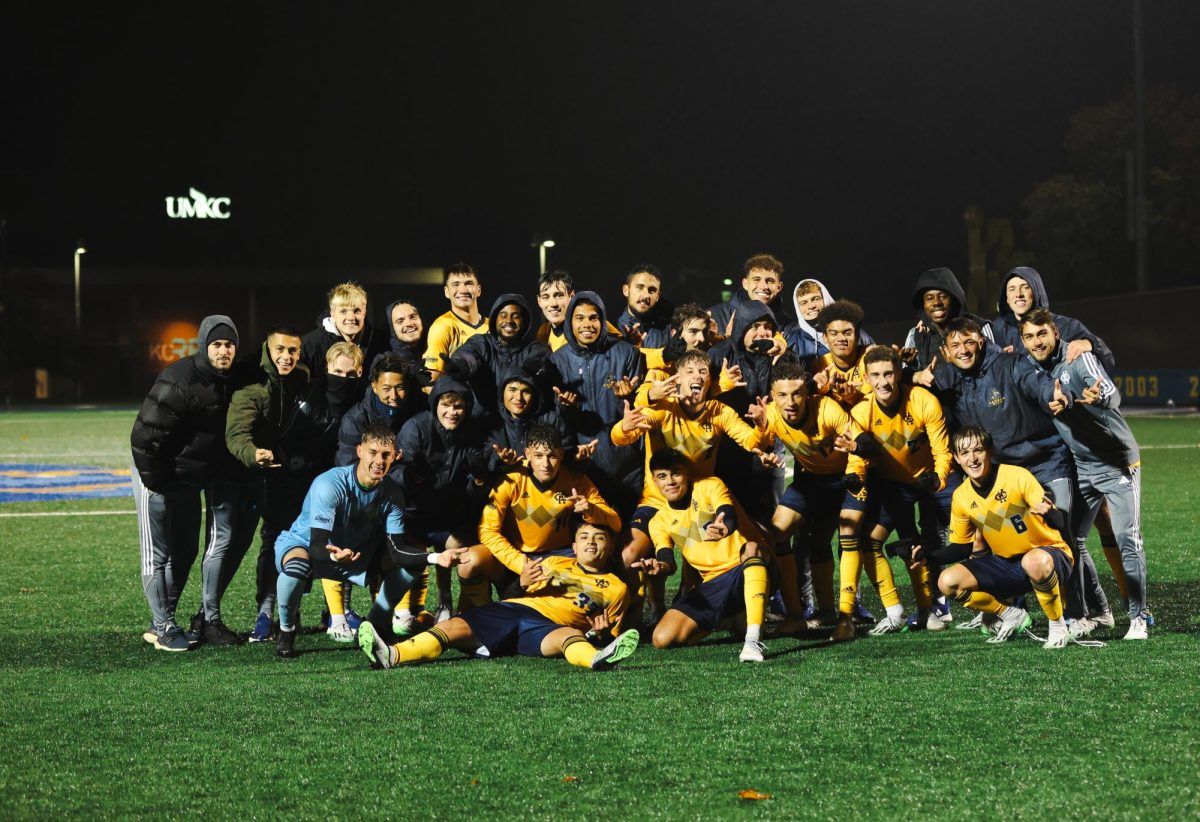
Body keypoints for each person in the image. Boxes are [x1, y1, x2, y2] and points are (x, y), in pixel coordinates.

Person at [914, 317, 1111, 626]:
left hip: (1044, 462)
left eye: (969, 342)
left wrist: (1056, 396)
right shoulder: (949, 378)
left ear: (980, 342)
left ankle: (1084, 613)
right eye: (955, 345)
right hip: (1002, 473)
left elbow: (1041, 385)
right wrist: (913, 377)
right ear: (947, 351)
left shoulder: (1010, 363)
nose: (963, 350)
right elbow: (906, 393)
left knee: (1060, 534)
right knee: (1002, 542)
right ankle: (1009, 614)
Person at [271, 423, 469, 658]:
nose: (379, 461)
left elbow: (396, 550)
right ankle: (286, 629)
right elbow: (316, 544)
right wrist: (335, 554)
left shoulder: (393, 492)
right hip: (307, 547)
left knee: (413, 560)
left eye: (386, 455)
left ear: (395, 456)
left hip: (356, 553)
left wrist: (436, 557)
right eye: (373, 452)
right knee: (296, 567)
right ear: (359, 451)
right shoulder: (330, 484)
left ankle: (377, 621)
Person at [131, 315, 260, 651]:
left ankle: (164, 619)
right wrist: (157, 483)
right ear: (204, 346)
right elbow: (145, 438)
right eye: (216, 344)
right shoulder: (179, 380)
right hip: (155, 474)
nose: (223, 351)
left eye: (229, 344)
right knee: (156, 553)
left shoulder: (233, 379)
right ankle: (162, 626)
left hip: (187, 479)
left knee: (185, 550)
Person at [612, 350, 770, 624]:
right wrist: (624, 428)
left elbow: (750, 440)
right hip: (656, 500)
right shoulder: (664, 408)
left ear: (710, 383)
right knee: (629, 554)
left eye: (703, 373)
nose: (697, 377)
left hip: (698, 501)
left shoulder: (719, 412)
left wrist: (761, 427)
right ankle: (634, 613)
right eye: (690, 372)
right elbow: (621, 437)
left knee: (757, 546)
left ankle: (737, 605)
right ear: (678, 379)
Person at [1020, 309, 1150, 639]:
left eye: (1042, 335)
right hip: (1082, 467)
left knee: (1127, 539)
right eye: (1029, 337)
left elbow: (1110, 391)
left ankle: (1139, 616)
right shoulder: (1035, 367)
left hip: (1116, 461)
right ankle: (1094, 614)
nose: (1037, 342)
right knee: (1070, 540)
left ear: (1055, 334)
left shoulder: (1078, 358)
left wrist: (1100, 397)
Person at [359, 518, 639, 671]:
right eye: (584, 537)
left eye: (599, 538)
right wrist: (522, 582)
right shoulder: (554, 563)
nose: (591, 542)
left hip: (553, 629)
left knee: (569, 638)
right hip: (514, 610)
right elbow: (514, 593)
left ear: (610, 549)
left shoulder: (617, 588)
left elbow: (610, 633)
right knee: (453, 627)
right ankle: (392, 655)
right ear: (574, 547)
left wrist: (603, 637)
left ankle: (594, 660)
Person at [226, 326, 340, 642]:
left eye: (292, 351)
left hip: (304, 479)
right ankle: (265, 612)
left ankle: (298, 610)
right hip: (268, 480)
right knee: (271, 541)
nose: (286, 357)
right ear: (269, 350)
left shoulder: (303, 382)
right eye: (280, 350)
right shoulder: (253, 389)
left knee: (308, 541)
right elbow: (236, 436)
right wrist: (254, 454)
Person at [753, 361, 877, 640]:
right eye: (783, 395)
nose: (791, 401)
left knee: (848, 528)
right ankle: (796, 615)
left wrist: (855, 456)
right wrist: (764, 453)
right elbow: (758, 442)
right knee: (779, 531)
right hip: (812, 481)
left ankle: (845, 619)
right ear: (773, 395)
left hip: (848, 478)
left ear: (806, 393)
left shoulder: (827, 409)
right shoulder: (770, 414)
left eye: (797, 393)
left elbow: (866, 443)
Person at [924, 427, 1076, 649]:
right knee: (947, 581)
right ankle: (1009, 614)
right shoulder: (962, 496)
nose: (972, 459)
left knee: (1033, 561)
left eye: (978, 450)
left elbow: (1059, 523)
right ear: (956, 458)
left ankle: (1058, 625)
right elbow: (961, 548)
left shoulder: (1017, 476)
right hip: (1007, 564)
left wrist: (1051, 513)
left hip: (1051, 556)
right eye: (964, 453)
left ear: (990, 451)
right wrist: (928, 556)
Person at [845, 345, 953, 634]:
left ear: (899, 373)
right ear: (867, 379)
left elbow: (943, 452)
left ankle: (936, 606)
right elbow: (857, 459)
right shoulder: (860, 411)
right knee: (877, 542)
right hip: (893, 487)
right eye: (876, 375)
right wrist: (854, 477)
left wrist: (937, 479)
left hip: (928, 481)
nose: (884, 382)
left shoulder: (923, 400)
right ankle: (896, 611)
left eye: (889, 374)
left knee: (952, 539)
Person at [458, 423, 621, 608]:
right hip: (516, 556)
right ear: (527, 454)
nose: (545, 464)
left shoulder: (576, 481)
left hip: (560, 558)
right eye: (538, 456)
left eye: (551, 456)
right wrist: (522, 564)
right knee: (469, 560)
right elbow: (487, 531)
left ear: (560, 455)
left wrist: (592, 511)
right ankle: (484, 612)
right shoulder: (511, 480)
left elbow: (615, 523)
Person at [635, 449, 772, 663]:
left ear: (687, 474)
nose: (670, 481)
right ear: (654, 481)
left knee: (752, 548)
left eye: (676, 474)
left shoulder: (709, 486)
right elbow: (667, 559)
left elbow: (727, 512)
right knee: (662, 638)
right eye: (662, 476)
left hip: (747, 567)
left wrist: (725, 527)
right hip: (712, 583)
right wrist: (660, 566)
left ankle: (752, 641)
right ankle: (730, 620)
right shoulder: (658, 521)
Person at [394, 376, 492, 629]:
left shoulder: (470, 432)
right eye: (446, 405)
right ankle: (403, 608)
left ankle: (450, 605)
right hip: (412, 512)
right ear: (435, 404)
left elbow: (470, 487)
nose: (452, 412)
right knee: (413, 553)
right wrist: (412, 476)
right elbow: (397, 471)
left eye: (458, 406)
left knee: (459, 546)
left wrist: (480, 480)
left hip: (445, 513)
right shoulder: (416, 427)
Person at [546, 291, 645, 517]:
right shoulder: (557, 361)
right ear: (570, 322)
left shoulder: (627, 353)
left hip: (626, 464)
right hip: (583, 466)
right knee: (592, 533)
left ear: (602, 320)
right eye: (579, 318)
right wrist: (565, 409)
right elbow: (555, 420)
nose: (587, 324)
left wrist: (628, 397)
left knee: (629, 536)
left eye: (593, 317)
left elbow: (643, 406)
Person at [442, 293, 551, 416]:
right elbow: (469, 353)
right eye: (503, 316)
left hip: (520, 420)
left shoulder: (534, 347)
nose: (509, 321)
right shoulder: (482, 342)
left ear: (525, 321)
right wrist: (461, 363)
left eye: (516, 316)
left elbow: (541, 358)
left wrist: (535, 368)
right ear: (495, 320)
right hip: (484, 422)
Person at [989, 266, 1115, 372]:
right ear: (1006, 298)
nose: (1018, 294)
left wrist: (1091, 344)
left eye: (1026, 287)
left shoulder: (1066, 326)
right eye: (1012, 289)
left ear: (1037, 291)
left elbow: (1107, 360)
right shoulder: (996, 330)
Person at [902, 267, 994, 372]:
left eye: (942, 296)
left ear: (954, 299)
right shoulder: (917, 335)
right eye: (929, 298)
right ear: (923, 305)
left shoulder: (980, 327)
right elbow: (905, 382)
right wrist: (912, 366)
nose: (936, 302)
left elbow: (996, 369)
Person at [300, 281, 388, 378]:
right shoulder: (310, 345)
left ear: (365, 312)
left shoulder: (381, 343)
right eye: (343, 311)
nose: (351, 317)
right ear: (333, 314)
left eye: (357, 311)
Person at [707, 253, 797, 342]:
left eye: (770, 281)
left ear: (779, 287)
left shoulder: (789, 327)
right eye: (757, 279)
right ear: (745, 284)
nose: (764, 286)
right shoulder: (716, 316)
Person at [423, 263, 488, 379]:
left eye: (469, 283)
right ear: (446, 292)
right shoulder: (442, 326)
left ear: (479, 290)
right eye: (455, 285)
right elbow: (430, 382)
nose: (462, 290)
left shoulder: (493, 326)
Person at [535, 270, 623, 352]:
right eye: (545, 297)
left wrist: (634, 344)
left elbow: (625, 351)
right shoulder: (543, 332)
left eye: (559, 295)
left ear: (572, 296)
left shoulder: (592, 324)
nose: (553, 303)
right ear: (539, 301)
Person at [787, 278, 874, 359]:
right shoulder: (795, 342)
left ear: (825, 299)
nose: (811, 306)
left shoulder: (854, 332)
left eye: (815, 299)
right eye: (804, 302)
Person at [809, 299, 871, 411]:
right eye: (834, 333)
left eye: (847, 333)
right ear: (825, 338)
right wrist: (823, 389)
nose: (841, 339)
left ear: (857, 337)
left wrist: (853, 397)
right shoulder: (819, 366)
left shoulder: (870, 357)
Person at [617, 264, 673, 349]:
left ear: (657, 297)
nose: (646, 296)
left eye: (652, 290)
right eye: (640, 287)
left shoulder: (668, 332)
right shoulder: (610, 331)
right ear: (626, 290)